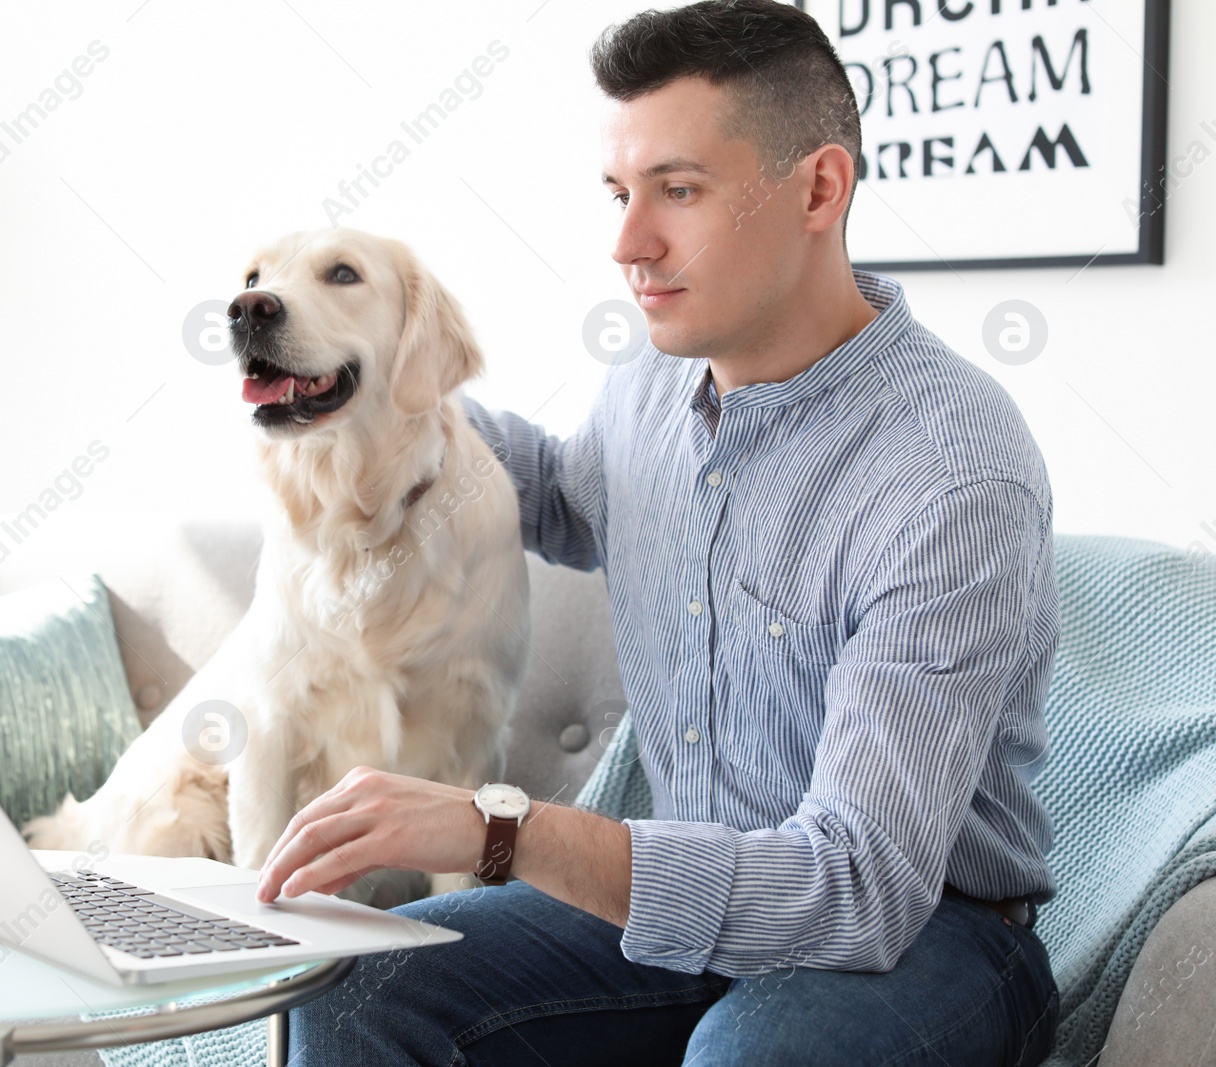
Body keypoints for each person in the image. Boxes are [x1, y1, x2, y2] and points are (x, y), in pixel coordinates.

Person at [256, 2, 1061, 1063]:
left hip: (923, 936)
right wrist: (370, 376)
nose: (627, 243)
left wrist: (504, 826)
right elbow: (549, 490)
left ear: (819, 188)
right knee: (351, 987)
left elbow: (854, 889)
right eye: (618, 192)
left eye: (678, 191)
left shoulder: (950, 475)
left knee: (751, 1057)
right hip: (683, 911)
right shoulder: (652, 382)